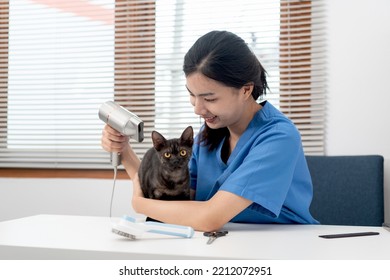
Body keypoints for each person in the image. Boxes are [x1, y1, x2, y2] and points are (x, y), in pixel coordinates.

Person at [101, 30, 318, 232]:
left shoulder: (279, 137)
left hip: (284, 243)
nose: (197, 109)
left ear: (245, 89)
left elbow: (209, 217)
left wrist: (140, 204)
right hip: (223, 243)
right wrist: (125, 151)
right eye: (192, 95)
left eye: (209, 98)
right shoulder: (209, 135)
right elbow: (177, 201)